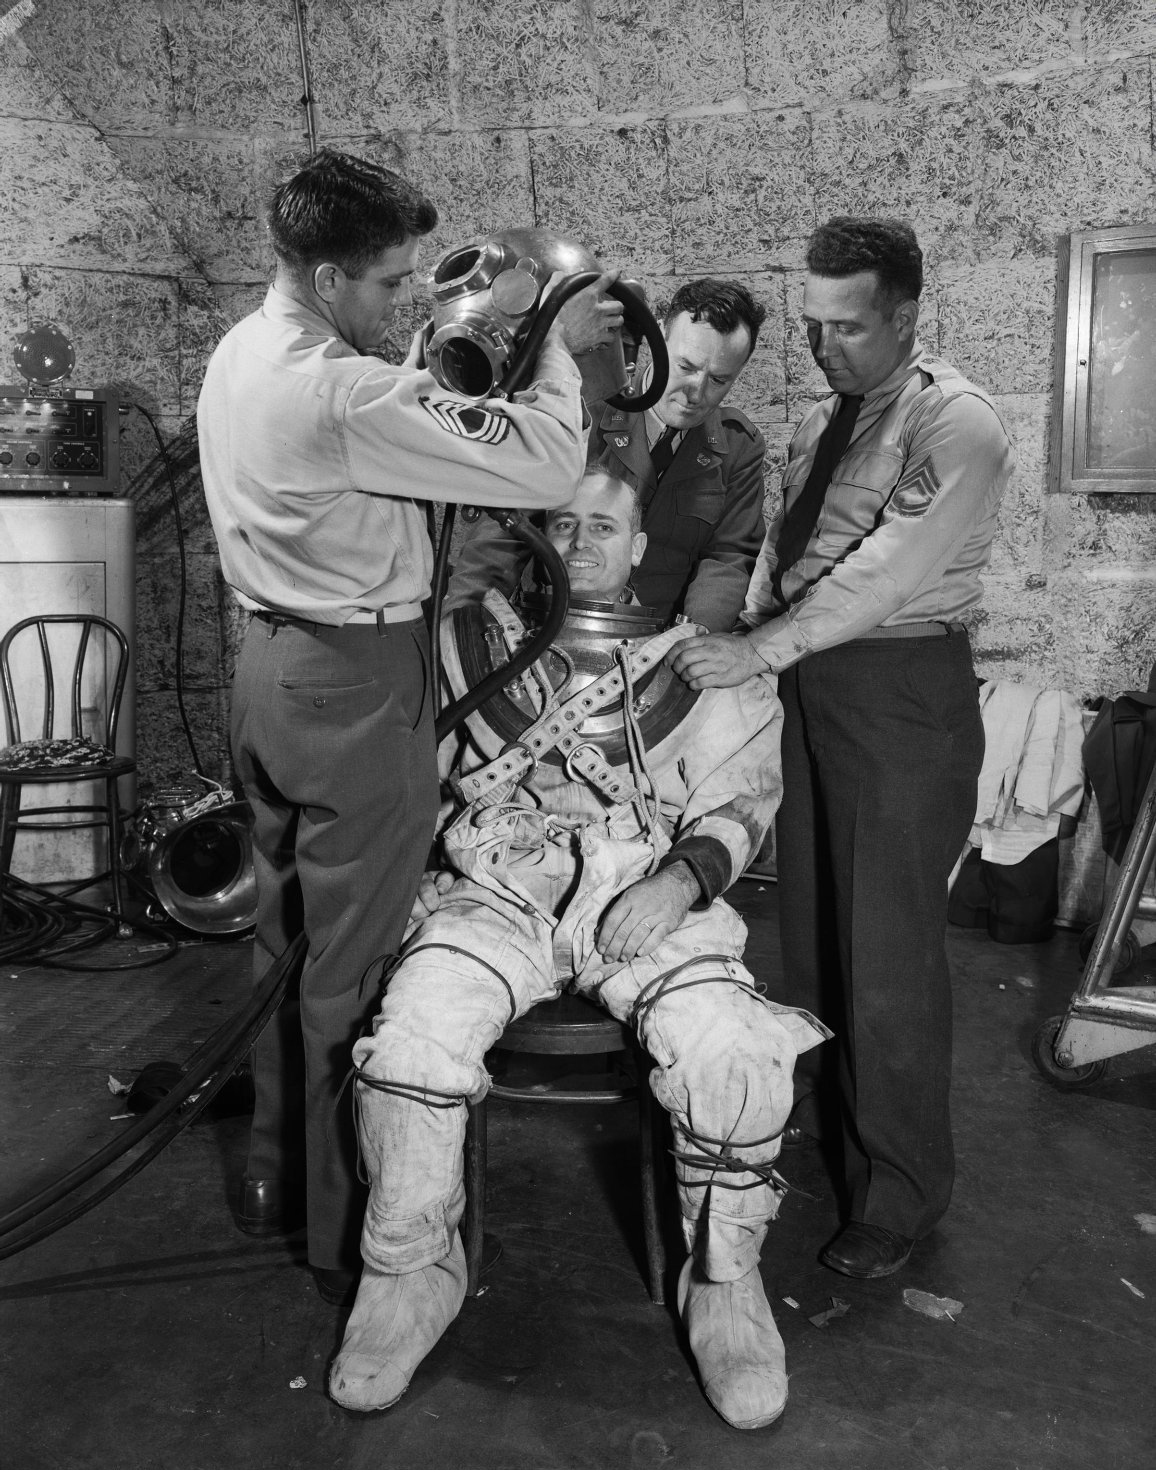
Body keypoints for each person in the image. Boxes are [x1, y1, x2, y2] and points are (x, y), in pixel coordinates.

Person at [196, 149, 623, 1304]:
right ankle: (356, 1234)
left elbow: (418, 408)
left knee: (281, 941)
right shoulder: (339, 390)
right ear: (329, 275)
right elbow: (541, 465)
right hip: (355, 685)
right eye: (386, 284)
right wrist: (569, 349)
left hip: (269, 673)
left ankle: (273, 1175)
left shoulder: (243, 351)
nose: (400, 306)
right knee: (357, 966)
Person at [328, 468, 827, 1429]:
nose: (583, 539)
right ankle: (410, 1269)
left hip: (646, 893)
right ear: (538, 541)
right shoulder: (467, 649)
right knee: (410, 1047)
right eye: (564, 523)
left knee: (736, 1052)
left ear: (641, 547)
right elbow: (411, 782)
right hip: (497, 888)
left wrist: (678, 881)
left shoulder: (698, 666)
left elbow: (739, 805)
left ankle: (723, 1282)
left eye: (605, 525)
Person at [670, 217, 1015, 1281]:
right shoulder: (836, 417)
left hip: (900, 692)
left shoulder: (958, 425)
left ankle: (900, 1196)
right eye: (813, 329)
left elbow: (882, 574)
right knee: (815, 935)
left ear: (906, 315)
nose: (825, 349)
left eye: (848, 329)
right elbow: (797, 552)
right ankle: (825, 1129)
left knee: (889, 959)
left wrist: (758, 650)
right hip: (820, 688)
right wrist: (728, 638)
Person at [445, 278, 768, 631]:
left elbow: (728, 557)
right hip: (552, 631)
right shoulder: (579, 413)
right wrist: (464, 624)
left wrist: (695, 639)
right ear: (658, 337)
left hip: (659, 644)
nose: (696, 392)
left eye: (719, 380)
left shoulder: (737, 447)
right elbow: (502, 534)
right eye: (686, 367)